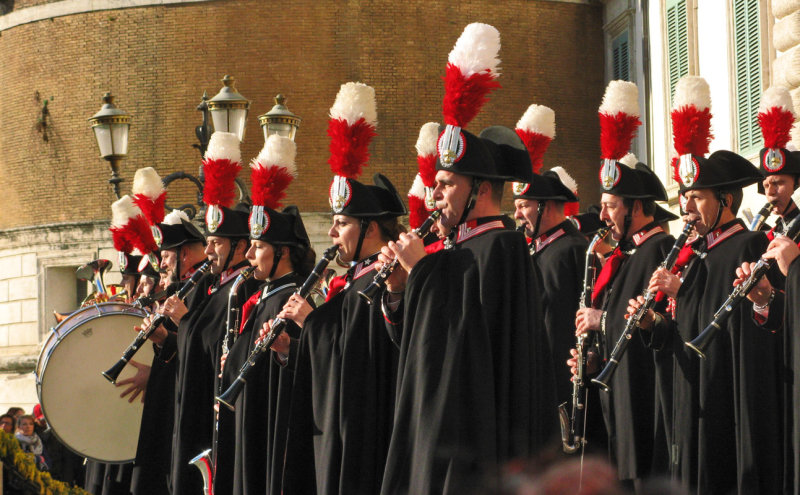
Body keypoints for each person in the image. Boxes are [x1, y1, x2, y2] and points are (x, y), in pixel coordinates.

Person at [379, 123, 555, 494]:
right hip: (437, 423)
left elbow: (466, 341)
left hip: (476, 436)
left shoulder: (503, 247)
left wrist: (421, 270)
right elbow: (422, 346)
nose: (435, 195)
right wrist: (397, 291)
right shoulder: (450, 250)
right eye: (436, 184)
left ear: (482, 188)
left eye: (447, 184)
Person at [281, 81, 408, 495]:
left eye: (343, 224)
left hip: (367, 431)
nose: (333, 233)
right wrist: (290, 347)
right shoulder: (350, 279)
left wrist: (310, 321)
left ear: (370, 228)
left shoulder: (382, 276)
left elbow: (359, 357)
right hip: (336, 426)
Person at [629, 149, 781, 493]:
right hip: (692, 386)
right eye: (685, 196)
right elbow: (686, 327)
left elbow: (740, 321)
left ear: (725, 200)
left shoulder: (750, 243)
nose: (686, 207)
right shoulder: (700, 253)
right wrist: (653, 323)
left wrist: (681, 291)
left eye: (696, 197)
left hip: (726, 390)